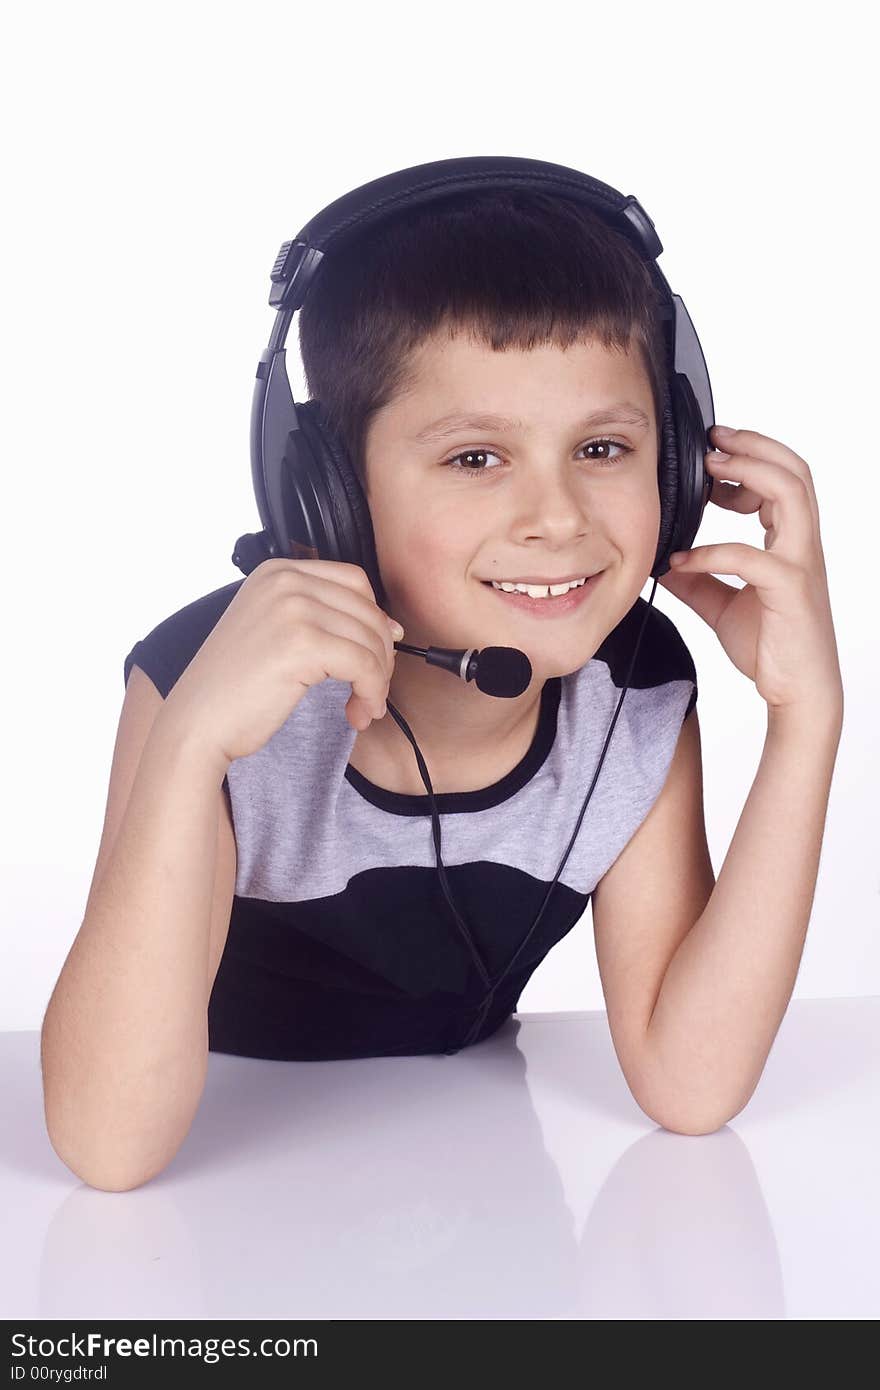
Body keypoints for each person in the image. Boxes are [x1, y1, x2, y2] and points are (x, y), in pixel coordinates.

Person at [39, 187, 844, 1191]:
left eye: (602, 449)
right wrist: (192, 741)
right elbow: (106, 1150)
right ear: (324, 498)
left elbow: (691, 1084)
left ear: (675, 471)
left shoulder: (630, 685)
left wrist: (804, 721)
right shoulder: (210, 682)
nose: (556, 517)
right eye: (475, 457)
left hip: (483, 1182)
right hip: (239, 1191)